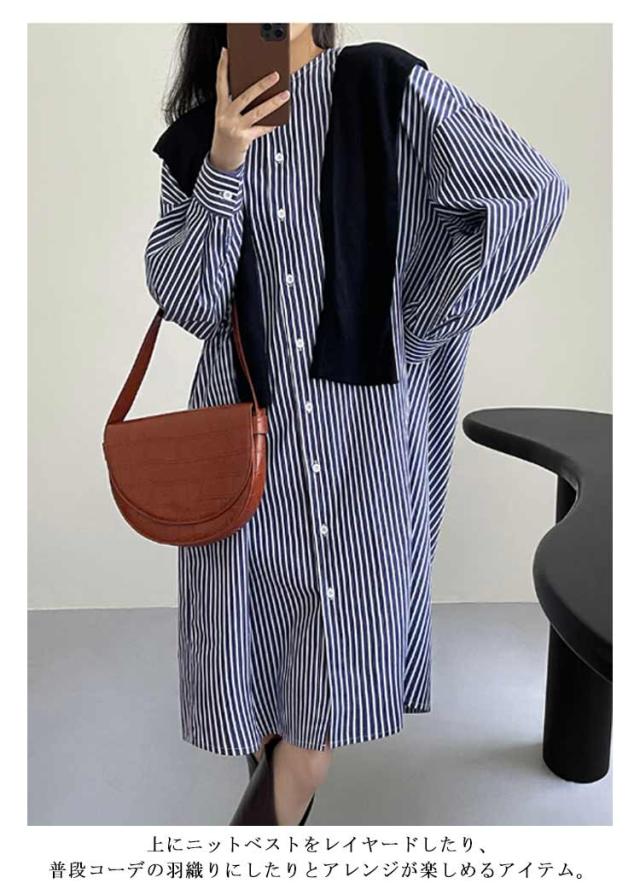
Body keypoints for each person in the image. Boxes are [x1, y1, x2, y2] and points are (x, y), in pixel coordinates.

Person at [144, 23, 570, 825]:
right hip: (245, 451)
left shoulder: (382, 85)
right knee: (262, 687)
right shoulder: (199, 137)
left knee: (314, 729)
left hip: (359, 450)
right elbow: (191, 301)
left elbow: (530, 193)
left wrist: (411, 321)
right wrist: (224, 162)